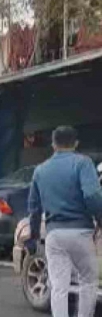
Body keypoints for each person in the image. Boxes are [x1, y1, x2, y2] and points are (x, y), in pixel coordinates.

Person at [26, 126, 102, 317]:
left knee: (58, 286)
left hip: (54, 235)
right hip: (81, 233)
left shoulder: (40, 170)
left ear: (53, 144)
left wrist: (34, 236)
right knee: (88, 280)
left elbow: (34, 209)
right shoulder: (83, 163)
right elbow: (92, 195)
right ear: (76, 143)